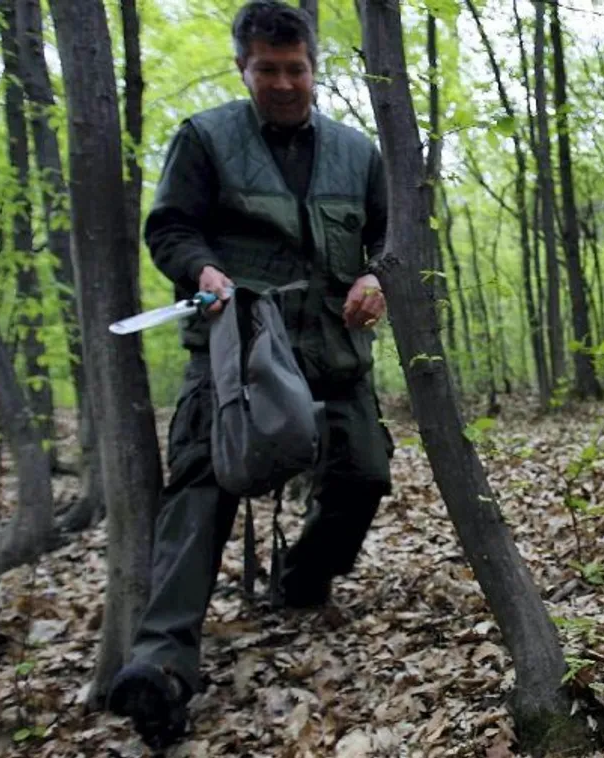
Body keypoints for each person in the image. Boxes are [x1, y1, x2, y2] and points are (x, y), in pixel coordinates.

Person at [107, 1, 394, 748]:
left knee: (363, 473)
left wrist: (374, 278)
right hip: (239, 351)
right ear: (244, 68)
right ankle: (161, 665)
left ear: (312, 68)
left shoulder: (356, 152)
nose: (282, 82)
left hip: (332, 352)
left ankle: (302, 579)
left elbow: (386, 240)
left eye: (294, 68)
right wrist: (200, 268)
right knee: (202, 488)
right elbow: (169, 228)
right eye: (266, 69)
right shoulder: (205, 139)